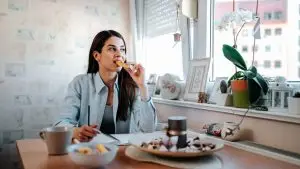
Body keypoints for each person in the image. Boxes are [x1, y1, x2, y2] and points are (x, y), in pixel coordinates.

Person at [54, 30, 157, 142]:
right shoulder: (79, 84)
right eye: (112, 49)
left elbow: (148, 130)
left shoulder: (132, 86)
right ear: (97, 56)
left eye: (122, 49)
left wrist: (143, 86)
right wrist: (75, 131)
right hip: (90, 151)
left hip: (123, 152)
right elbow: (62, 122)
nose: (119, 54)